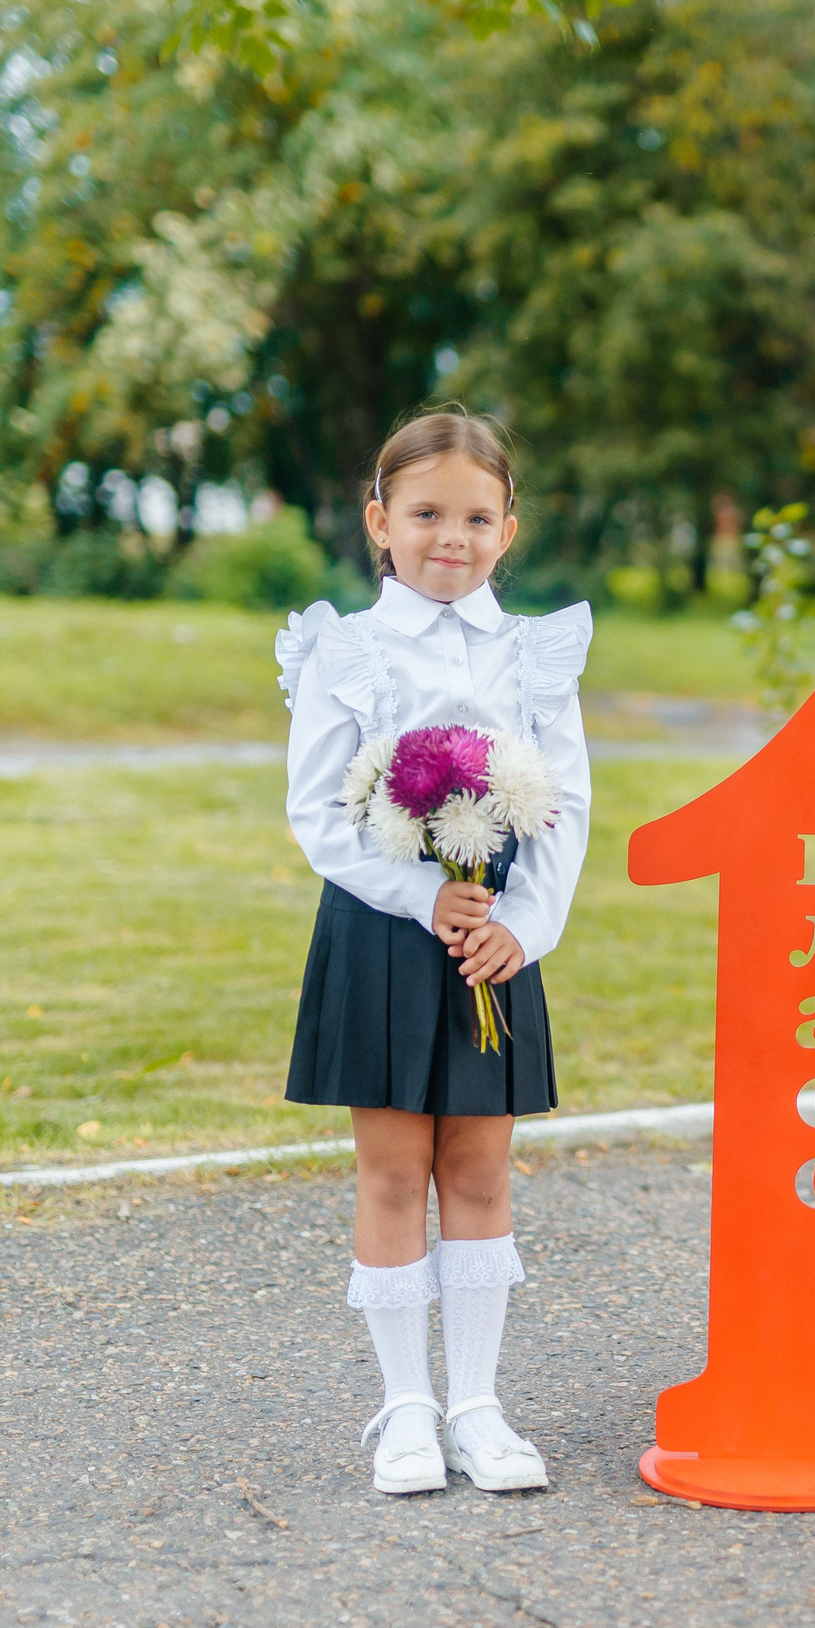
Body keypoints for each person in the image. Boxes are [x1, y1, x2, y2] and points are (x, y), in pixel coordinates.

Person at [274, 409, 592, 1495]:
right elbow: (318, 811)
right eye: (424, 513)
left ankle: (479, 1407)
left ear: (508, 529)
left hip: (492, 940)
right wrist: (422, 895)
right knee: (394, 1169)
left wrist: (523, 928)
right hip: (382, 929)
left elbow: (567, 804)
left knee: (480, 1170)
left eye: (475, 517)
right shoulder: (346, 649)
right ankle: (407, 1407)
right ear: (379, 521)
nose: (450, 536)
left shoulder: (534, 653)